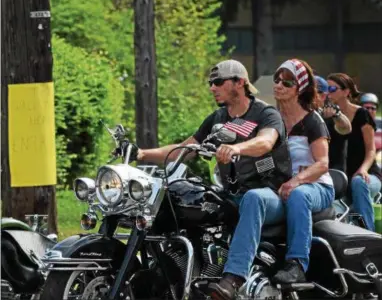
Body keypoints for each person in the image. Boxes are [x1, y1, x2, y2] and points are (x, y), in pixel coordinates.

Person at [137, 59, 307, 300]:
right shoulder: (217, 118)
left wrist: (237, 149)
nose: (212, 87)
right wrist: (142, 153)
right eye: (210, 83)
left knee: (253, 198)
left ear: (239, 82)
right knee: (185, 200)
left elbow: (265, 142)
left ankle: (234, 278)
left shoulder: (266, 113)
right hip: (232, 195)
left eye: (218, 82)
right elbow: (184, 149)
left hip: (272, 195)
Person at [272, 58, 334, 284]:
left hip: (318, 186)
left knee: (298, 195)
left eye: (287, 82)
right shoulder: (273, 119)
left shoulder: (312, 121)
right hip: (285, 186)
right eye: (277, 79)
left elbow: (323, 163)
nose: (279, 85)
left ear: (301, 89)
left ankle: (297, 263)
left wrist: (296, 181)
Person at [327, 73, 382, 231]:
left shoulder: (362, 115)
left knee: (359, 182)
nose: (328, 93)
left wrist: (363, 169)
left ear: (346, 92)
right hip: (342, 176)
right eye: (326, 88)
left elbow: (371, 150)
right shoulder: (329, 117)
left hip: (368, 174)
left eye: (332, 89)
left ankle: (368, 234)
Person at [314, 75, 352, 172]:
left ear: (323, 96)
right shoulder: (296, 116)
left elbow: (346, 128)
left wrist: (337, 115)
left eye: (310, 93)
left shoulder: (331, 113)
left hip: (332, 175)